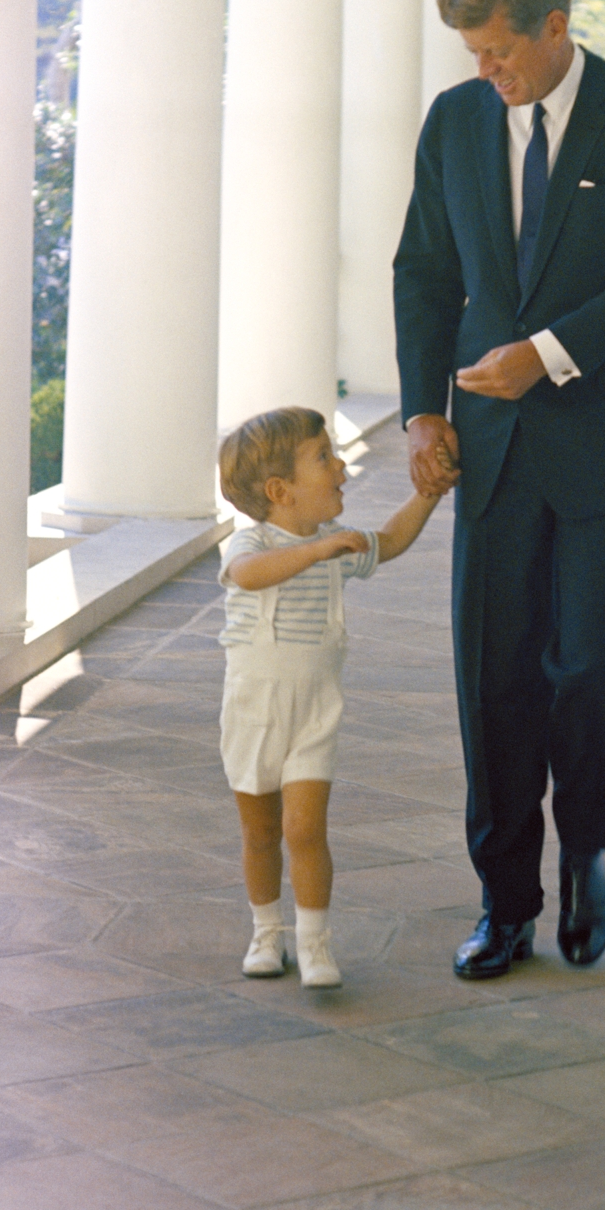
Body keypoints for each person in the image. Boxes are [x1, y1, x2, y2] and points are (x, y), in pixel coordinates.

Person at [394, 0, 605, 979]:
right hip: (489, 448)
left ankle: (587, 852)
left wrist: (547, 355)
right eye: (473, 55)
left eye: (496, 52)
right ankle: (504, 901)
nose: (486, 72)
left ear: (554, 25)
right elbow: (425, 273)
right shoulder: (454, 121)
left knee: (593, 667)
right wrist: (421, 414)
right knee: (494, 678)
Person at [217, 407, 438, 987]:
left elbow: (388, 541)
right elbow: (247, 575)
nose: (340, 466)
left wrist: (429, 493)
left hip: (315, 712)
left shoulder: (334, 544)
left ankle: (315, 942)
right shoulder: (254, 541)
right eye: (324, 456)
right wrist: (316, 553)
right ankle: (267, 932)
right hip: (253, 715)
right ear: (280, 491)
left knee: (304, 830)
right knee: (261, 833)